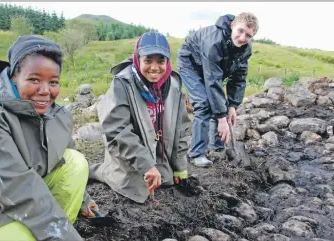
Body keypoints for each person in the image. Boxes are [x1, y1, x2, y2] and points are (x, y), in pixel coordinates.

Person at [0, 35, 104, 241]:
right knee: (17, 237)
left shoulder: (57, 115)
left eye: (53, 82)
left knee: (75, 162)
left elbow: (60, 162)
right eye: (34, 79)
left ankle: (54, 230)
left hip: (27, 194)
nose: (45, 90)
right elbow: (18, 188)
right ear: (13, 78)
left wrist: (85, 201)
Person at [88, 32, 193, 203]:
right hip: (128, 159)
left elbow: (181, 128)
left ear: (168, 61)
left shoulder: (173, 85)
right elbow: (117, 131)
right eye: (148, 60)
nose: (154, 67)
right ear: (138, 59)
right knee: (133, 187)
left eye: (161, 61)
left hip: (158, 156)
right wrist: (146, 165)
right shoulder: (122, 84)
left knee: (166, 180)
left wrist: (180, 167)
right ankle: (94, 170)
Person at [176, 12, 259, 167]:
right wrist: (221, 118)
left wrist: (233, 105)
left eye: (248, 35)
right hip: (190, 64)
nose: (242, 38)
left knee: (221, 104)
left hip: (212, 69)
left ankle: (216, 148)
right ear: (233, 25)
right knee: (203, 104)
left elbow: (239, 78)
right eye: (240, 31)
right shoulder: (214, 41)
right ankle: (197, 154)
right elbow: (212, 81)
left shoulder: (245, 49)